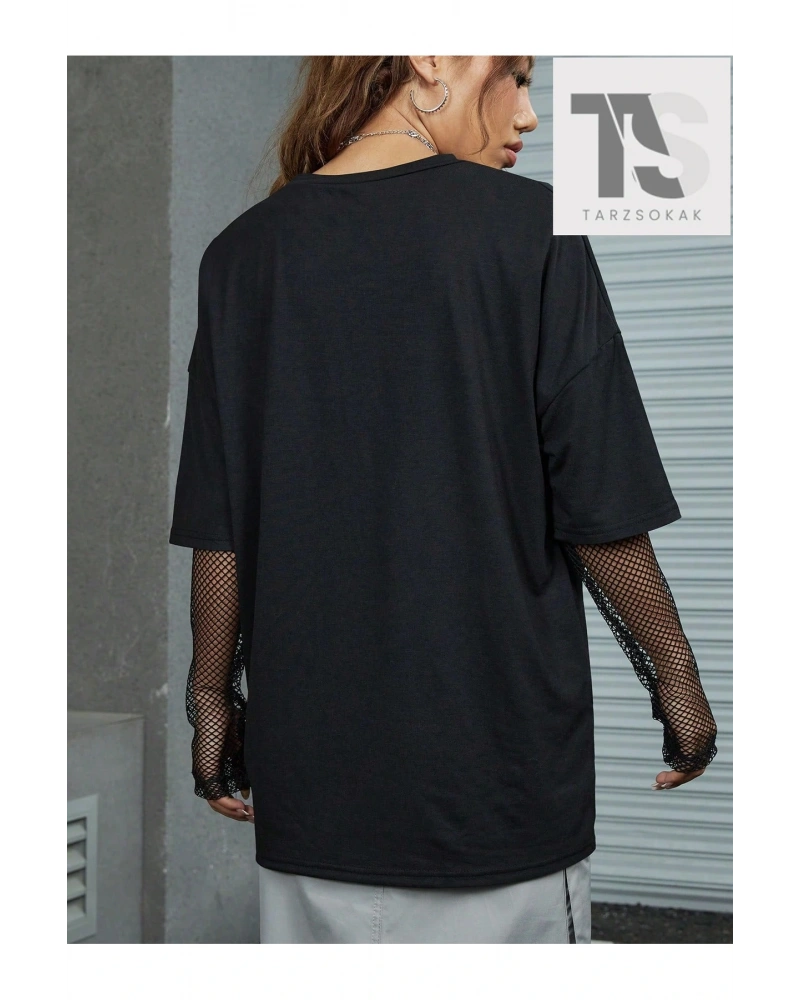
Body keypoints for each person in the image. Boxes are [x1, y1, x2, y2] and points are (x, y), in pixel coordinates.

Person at [169, 55, 718, 944]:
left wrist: (210, 700)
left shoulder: (240, 254)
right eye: (516, 76)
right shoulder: (533, 230)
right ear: (431, 57)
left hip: (311, 795)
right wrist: (677, 682)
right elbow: (601, 508)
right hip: (494, 792)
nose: (528, 115)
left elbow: (220, 524)